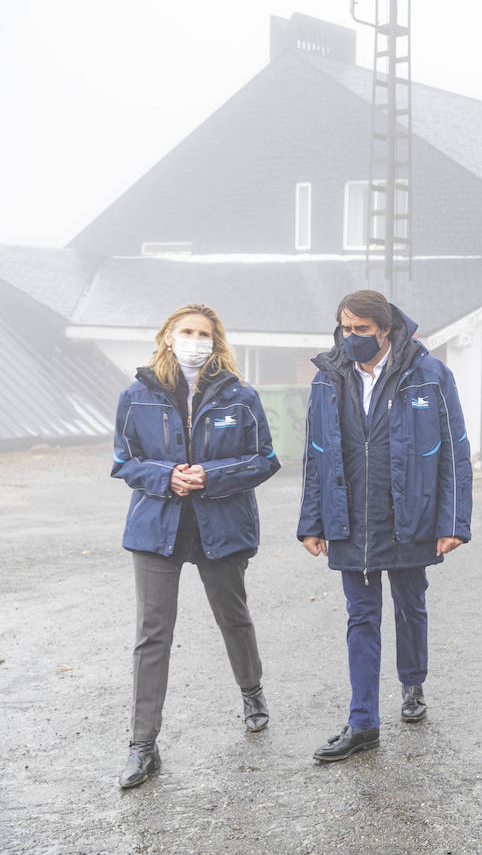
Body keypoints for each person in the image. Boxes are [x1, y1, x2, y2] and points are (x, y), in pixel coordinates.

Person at [297, 289, 472, 762]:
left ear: (385, 330)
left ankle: (412, 683)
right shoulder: (327, 378)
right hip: (349, 517)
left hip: (410, 512)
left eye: (360, 330)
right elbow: (316, 453)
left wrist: (453, 521)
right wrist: (311, 520)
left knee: (410, 603)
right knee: (361, 616)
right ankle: (362, 723)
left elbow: (455, 449)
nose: (350, 338)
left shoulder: (430, 374)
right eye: (344, 329)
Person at [111, 304, 280, 789]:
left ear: (216, 341)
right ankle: (143, 746)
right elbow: (124, 461)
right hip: (156, 529)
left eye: (204, 333)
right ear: (168, 336)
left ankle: (252, 692)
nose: (195, 338)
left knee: (233, 616)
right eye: (186, 330)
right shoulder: (135, 395)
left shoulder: (241, 396)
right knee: (151, 634)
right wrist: (167, 476)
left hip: (221, 525)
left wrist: (212, 475)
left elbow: (265, 458)